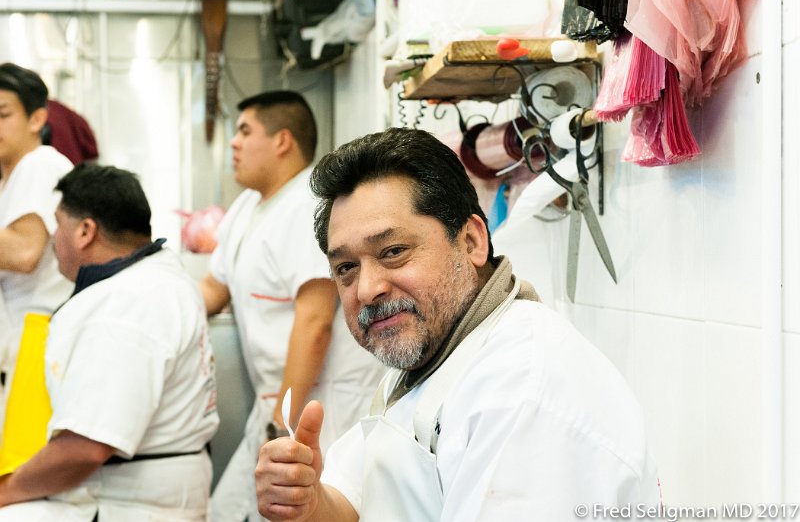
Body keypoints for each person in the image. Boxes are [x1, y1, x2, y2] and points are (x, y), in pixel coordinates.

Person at [254, 127, 660, 521]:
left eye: (394, 251)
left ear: (471, 242)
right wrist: (308, 505)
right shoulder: (432, 354)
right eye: (346, 268)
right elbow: (357, 502)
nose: (367, 289)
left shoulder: (523, 392)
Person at [201, 90, 383, 521]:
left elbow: (316, 322)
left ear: (282, 141)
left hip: (318, 408)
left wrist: (283, 421)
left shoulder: (309, 204)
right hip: (274, 407)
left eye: (245, 131)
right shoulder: (247, 208)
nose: (233, 142)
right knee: (233, 510)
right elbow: (213, 288)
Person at [0, 164, 219, 520]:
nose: (54, 238)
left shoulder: (124, 306)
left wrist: (6, 490)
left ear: (86, 231)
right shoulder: (157, 278)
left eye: (59, 224)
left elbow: (85, 448)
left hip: (125, 504)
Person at [0, 63, 73, 417]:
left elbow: (24, 252)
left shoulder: (39, 164)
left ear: (36, 119)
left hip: (37, 338)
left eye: (2, 114)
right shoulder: (9, 178)